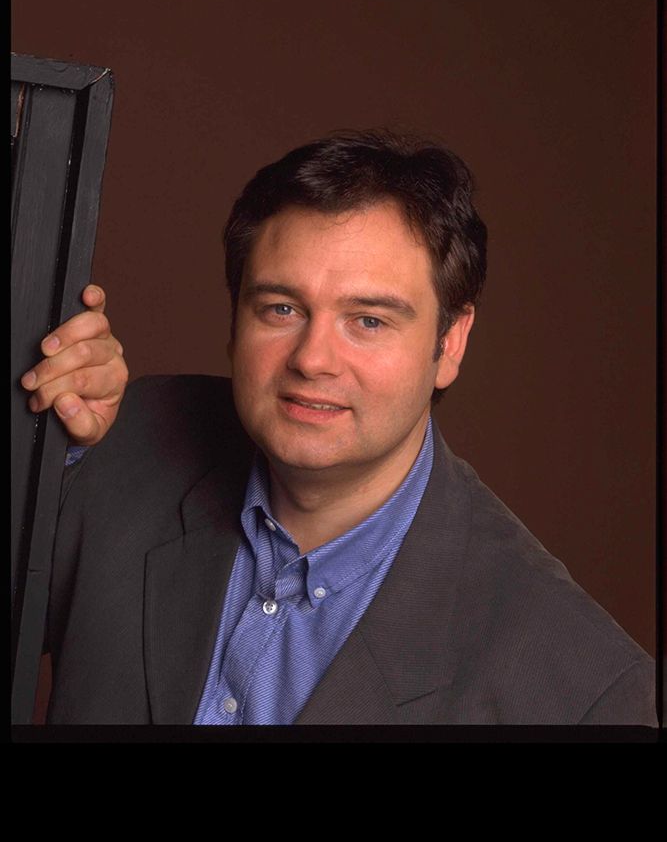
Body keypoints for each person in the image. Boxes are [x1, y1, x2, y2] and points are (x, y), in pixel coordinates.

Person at [21, 129, 656, 726]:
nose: (312, 358)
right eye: (281, 308)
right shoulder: (116, 443)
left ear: (451, 342)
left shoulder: (585, 689)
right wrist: (37, 442)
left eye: (369, 321)